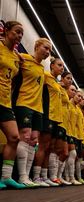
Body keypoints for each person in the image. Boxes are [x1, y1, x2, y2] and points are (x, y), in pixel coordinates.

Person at [14, 37, 52, 187]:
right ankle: (22, 176)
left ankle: (28, 177)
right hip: (24, 103)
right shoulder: (23, 58)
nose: (48, 52)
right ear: (37, 46)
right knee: (25, 136)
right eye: (46, 48)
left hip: (38, 109)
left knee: (34, 140)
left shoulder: (42, 68)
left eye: (50, 50)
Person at [0, 20, 25, 189]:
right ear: (6, 30)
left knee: (14, 137)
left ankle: (6, 177)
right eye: (17, 31)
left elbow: (13, 80)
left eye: (21, 33)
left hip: (5, 102)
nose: (19, 35)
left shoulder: (17, 57)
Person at [32, 57, 64, 187]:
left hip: (56, 118)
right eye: (59, 65)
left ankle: (44, 177)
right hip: (47, 116)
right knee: (43, 147)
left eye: (62, 66)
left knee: (50, 148)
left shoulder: (56, 82)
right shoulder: (45, 75)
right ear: (52, 66)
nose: (62, 68)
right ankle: (35, 176)